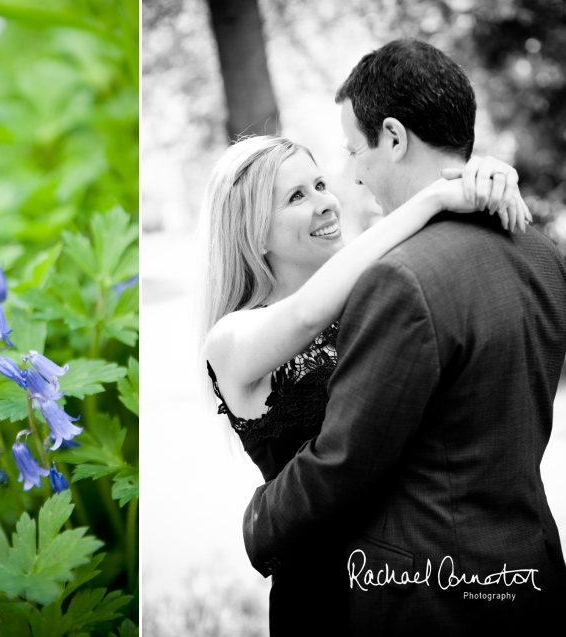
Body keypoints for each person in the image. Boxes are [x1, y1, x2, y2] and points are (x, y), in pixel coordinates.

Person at [238, 39, 566, 635]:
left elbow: (345, 460)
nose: (353, 176)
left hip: (434, 597)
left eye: (355, 152)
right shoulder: (542, 256)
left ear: (393, 137)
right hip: (533, 568)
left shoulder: (402, 280)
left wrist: (259, 522)